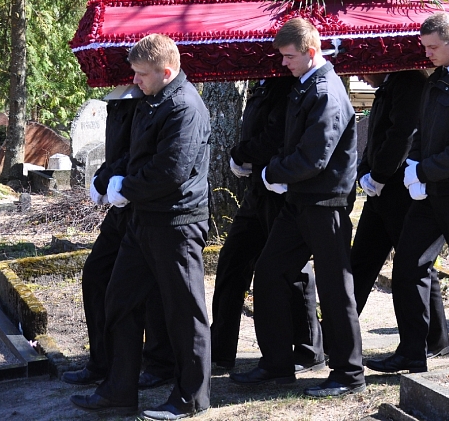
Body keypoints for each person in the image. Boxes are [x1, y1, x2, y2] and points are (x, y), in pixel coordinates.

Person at [71, 34, 212, 420]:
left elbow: (171, 170)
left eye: (142, 75)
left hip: (177, 223)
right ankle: (119, 390)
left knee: (185, 313)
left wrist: (125, 189)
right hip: (144, 220)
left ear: (167, 72)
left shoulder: (184, 107)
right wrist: (110, 179)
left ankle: (190, 398)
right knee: (120, 300)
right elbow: (135, 155)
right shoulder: (155, 100)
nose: (135, 81)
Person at [230, 17, 365, 398]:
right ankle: (277, 364)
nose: (284, 63)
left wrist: (274, 172)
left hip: (325, 202)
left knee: (336, 288)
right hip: (300, 200)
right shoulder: (305, 86)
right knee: (271, 271)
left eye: (289, 56)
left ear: (310, 51)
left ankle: (349, 373)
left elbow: (314, 156)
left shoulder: (325, 91)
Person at [366, 13, 449, 374]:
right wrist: (414, 168)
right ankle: (413, 352)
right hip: (432, 191)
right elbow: (421, 133)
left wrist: (423, 171)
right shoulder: (438, 80)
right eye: (424, 46)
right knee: (409, 263)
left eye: (432, 47)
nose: (426, 54)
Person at [61, 84, 175, 391]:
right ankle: (104, 360)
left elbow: (147, 153)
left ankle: (160, 362)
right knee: (97, 275)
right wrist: (103, 177)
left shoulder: (158, 98)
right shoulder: (121, 100)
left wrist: (118, 181)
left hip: (146, 204)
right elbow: (120, 150)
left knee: (151, 288)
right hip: (123, 205)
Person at [210, 75, 324, 373]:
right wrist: (244, 154)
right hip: (257, 190)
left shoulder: (285, 83)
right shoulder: (262, 83)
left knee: (291, 270)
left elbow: (276, 135)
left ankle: (308, 348)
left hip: (279, 188)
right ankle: (220, 348)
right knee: (232, 261)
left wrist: (241, 153)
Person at [348, 69, 449, 359]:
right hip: (380, 190)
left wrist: (378, 174)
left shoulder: (409, 82)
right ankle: (337, 336)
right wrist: (366, 171)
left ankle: (434, 339)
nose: (361, 75)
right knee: (361, 263)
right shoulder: (390, 84)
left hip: (398, 190)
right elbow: (378, 135)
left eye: (366, 68)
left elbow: (402, 134)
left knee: (413, 266)